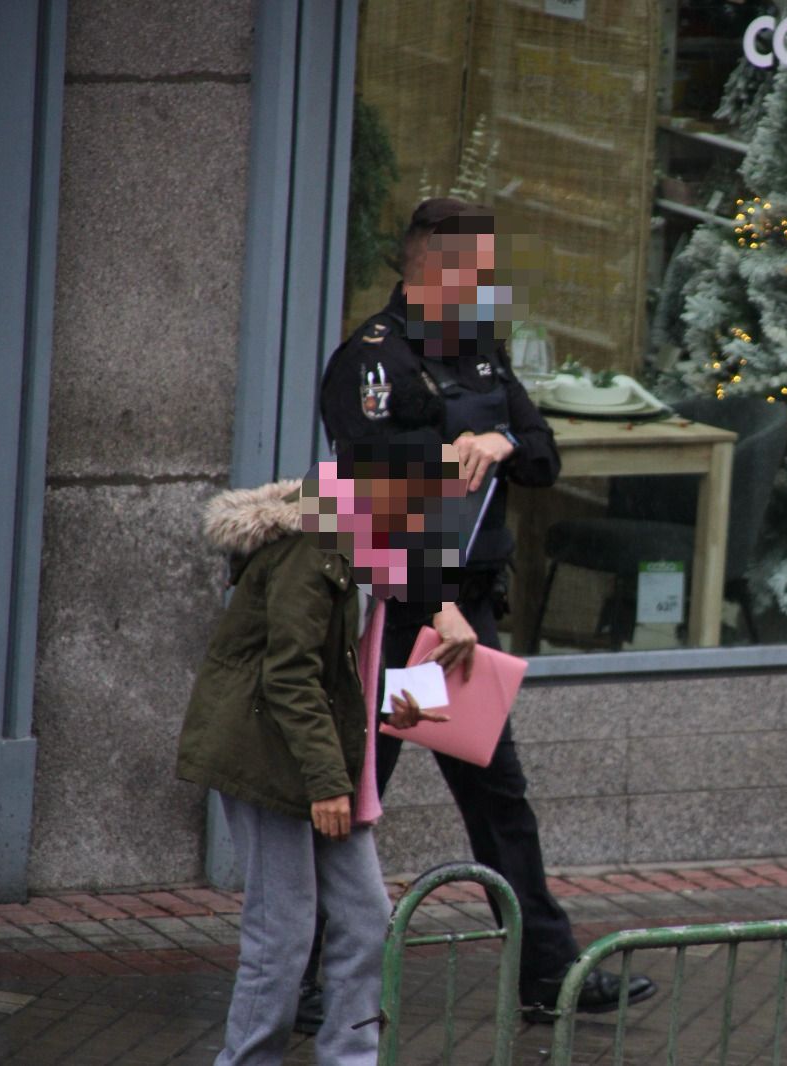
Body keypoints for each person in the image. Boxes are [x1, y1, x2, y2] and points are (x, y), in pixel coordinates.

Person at [313, 197, 655, 1023]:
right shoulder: (374, 362)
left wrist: (503, 442)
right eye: (478, 272)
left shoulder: (481, 355)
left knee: (496, 800)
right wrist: (435, 609)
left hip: (461, 620)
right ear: (432, 269)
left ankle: (549, 975)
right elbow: (373, 497)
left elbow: (542, 455)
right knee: (356, 798)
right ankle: (307, 979)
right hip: (406, 621)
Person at [176, 436, 456, 1065]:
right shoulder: (314, 547)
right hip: (267, 751)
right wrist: (329, 783)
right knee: (283, 932)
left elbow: (344, 671)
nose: (422, 523)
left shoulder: (363, 552)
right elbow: (289, 677)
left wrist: (393, 707)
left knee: (363, 918)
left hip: (316, 755)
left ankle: (350, 1060)